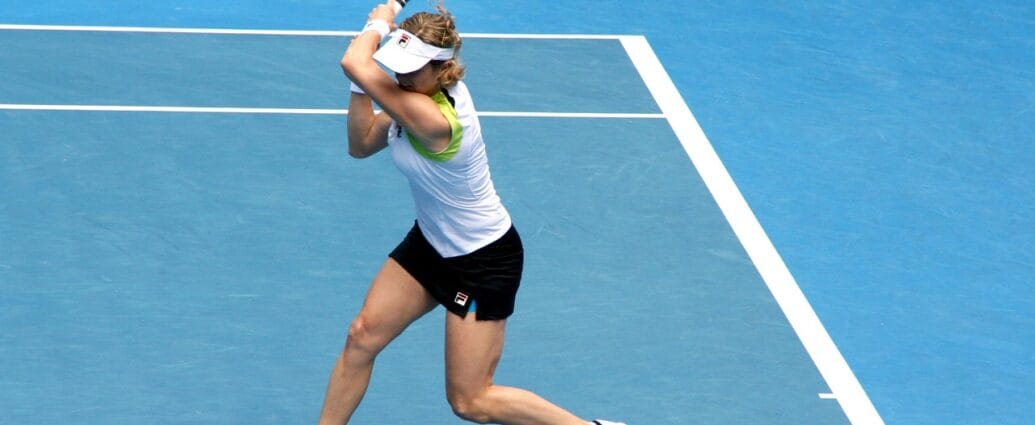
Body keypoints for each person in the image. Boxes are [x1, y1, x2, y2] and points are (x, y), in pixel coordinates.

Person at [317, 1, 625, 425]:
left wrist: (377, 22)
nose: (403, 76)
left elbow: (353, 60)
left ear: (442, 69)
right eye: (399, 67)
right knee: (361, 337)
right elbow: (361, 143)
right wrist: (360, 86)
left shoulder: (436, 120)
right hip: (429, 243)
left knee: (470, 402)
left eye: (413, 69)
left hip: (482, 260)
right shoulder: (413, 96)